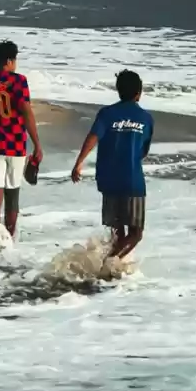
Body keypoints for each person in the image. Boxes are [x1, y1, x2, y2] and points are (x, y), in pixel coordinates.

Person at [71, 69, 154, 260]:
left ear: (118, 91)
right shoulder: (146, 118)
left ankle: (110, 264)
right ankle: (110, 263)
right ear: (138, 93)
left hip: (108, 180)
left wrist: (79, 163)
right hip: (132, 181)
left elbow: (93, 137)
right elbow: (143, 151)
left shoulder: (107, 113)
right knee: (136, 233)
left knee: (117, 233)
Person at [0, 40, 42, 238]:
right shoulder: (19, 81)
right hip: (15, 145)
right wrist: (37, 144)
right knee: (12, 198)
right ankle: (10, 242)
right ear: (9, 61)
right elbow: (26, 112)